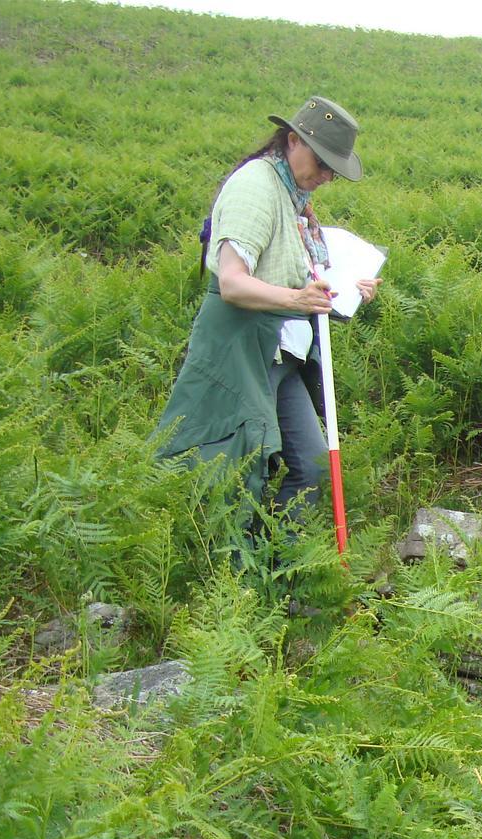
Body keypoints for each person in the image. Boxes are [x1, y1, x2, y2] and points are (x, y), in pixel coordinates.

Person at [155, 96, 379, 565]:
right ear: (293, 140)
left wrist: (347, 289)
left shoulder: (297, 198)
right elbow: (233, 283)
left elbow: (301, 274)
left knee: (312, 466)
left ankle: (282, 574)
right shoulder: (256, 186)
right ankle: (229, 584)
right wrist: (297, 300)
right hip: (239, 345)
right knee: (237, 464)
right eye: (322, 163)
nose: (326, 176)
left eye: (333, 170)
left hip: (283, 351)